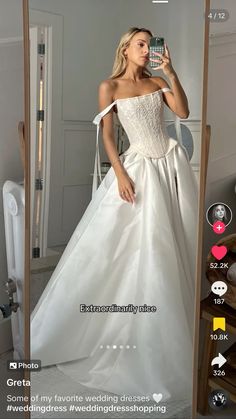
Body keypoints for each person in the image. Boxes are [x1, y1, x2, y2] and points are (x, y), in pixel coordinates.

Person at [31, 27, 198, 402]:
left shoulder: (157, 80)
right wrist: (119, 173)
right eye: (141, 43)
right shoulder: (109, 86)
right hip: (137, 168)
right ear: (126, 48)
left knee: (173, 240)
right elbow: (108, 135)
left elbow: (184, 112)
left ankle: (166, 332)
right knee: (133, 248)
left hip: (169, 166)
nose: (147, 48)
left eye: (150, 43)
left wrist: (171, 73)